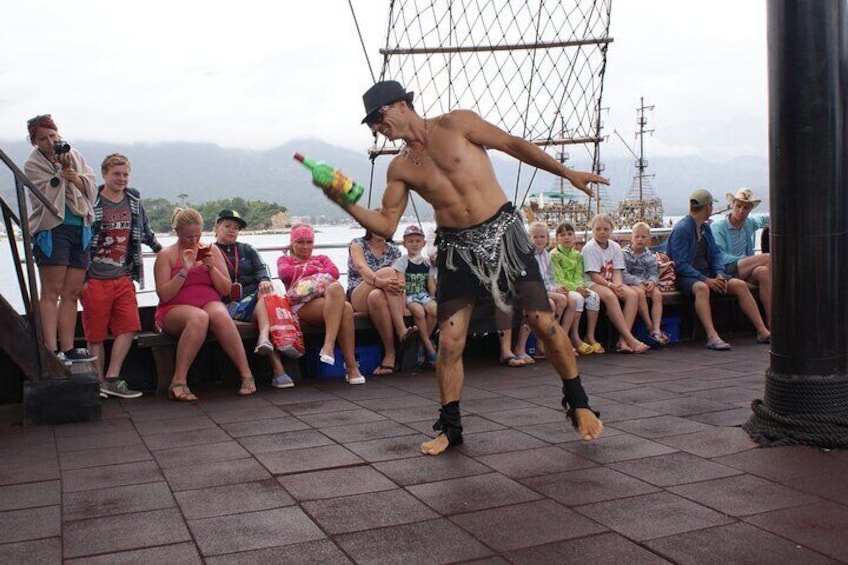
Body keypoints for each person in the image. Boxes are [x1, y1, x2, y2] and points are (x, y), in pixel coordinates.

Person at [319, 79, 605, 455]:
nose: (376, 126)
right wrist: (343, 200)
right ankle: (450, 428)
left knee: (543, 321)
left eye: (378, 115)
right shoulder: (400, 168)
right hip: (456, 249)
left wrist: (566, 173)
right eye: (372, 122)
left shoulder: (457, 123)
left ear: (402, 104)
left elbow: (512, 144)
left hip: (504, 235)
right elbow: (387, 224)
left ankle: (579, 403)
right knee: (450, 341)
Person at [153, 208, 257, 400]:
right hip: (174, 309)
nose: (193, 241)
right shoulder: (166, 255)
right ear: (177, 232)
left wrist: (211, 268)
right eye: (188, 236)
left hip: (208, 301)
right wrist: (185, 269)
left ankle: (246, 373)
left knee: (219, 314)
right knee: (198, 318)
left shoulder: (211, 250)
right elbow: (165, 295)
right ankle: (179, 380)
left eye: (197, 235)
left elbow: (225, 289)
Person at [81, 153, 161, 399]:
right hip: (94, 278)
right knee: (95, 334)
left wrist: (162, 250)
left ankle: (112, 378)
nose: (122, 178)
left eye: (125, 174)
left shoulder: (134, 200)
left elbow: (144, 232)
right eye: (117, 174)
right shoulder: (91, 200)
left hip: (123, 276)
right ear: (104, 174)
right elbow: (81, 238)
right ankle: (98, 382)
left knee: (128, 327)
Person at [24, 114, 98, 366]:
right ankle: (50, 349)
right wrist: (59, 170)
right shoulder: (32, 164)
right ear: (34, 142)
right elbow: (42, 193)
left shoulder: (74, 155)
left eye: (52, 136)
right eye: (42, 138)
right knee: (51, 291)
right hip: (52, 227)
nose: (49, 142)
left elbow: (90, 184)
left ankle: (68, 348)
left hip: (80, 226)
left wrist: (72, 174)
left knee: (72, 292)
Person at [667, 189, 771, 350]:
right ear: (708, 207)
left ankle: (762, 330)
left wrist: (720, 274)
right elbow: (680, 265)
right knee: (702, 288)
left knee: (739, 285)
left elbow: (716, 255)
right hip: (687, 277)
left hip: (709, 274)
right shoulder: (682, 230)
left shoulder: (705, 228)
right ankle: (712, 336)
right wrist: (706, 280)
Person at [213, 209, 294, 389]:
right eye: (227, 226)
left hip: (252, 303)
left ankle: (265, 341)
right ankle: (278, 369)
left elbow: (262, 269)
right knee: (268, 305)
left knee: (265, 295)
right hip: (227, 305)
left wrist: (264, 280)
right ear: (217, 227)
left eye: (236, 228)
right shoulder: (211, 251)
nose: (232, 230)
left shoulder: (246, 249)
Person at [278, 224, 366, 384]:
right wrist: (317, 272)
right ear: (293, 244)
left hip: (327, 301)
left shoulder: (322, 258)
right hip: (301, 305)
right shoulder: (285, 259)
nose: (305, 246)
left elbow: (334, 273)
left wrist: (304, 271)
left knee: (341, 298)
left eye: (309, 242)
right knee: (344, 307)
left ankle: (330, 346)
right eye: (300, 242)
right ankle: (351, 367)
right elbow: (285, 273)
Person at [347, 221, 417, 376]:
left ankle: (389, 356)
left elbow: (399, 281)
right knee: (388, 272)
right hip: (358, 293)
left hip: (379, 296)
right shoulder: (357, 244)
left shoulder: (394, 251)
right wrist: (381, 282)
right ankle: (401, 331)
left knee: (376, 297)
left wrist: (400, 299)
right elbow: (362, 268)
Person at [581, 214, 650, 354]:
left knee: (632, 295)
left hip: (611, 281)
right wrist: (611, 287)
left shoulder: (615, 247)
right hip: (593, 282)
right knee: (610, 297)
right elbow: (593, 275)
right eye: (598, 229)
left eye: (606, 229)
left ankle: (622, 340)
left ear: (611, 230)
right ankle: (630, 339)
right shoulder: (590, 248)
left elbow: (617, 270)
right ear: (592, 229)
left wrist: (617, 285)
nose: (602, 232)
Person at [712, 188, 771, 324]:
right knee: (767, 258)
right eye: (738, 206)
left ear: (750, 210)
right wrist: (747, 260)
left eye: (746, 208)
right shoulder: (719, 227)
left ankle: (771, 323)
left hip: (745, 268)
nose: (741, 210)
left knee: (763, 272)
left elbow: (764, 219)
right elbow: (720, 256)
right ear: (732, 205)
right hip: (727, 268)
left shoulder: (749, 223)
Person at [550, 221, 602, 355]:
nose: (566, 237)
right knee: (578, 298)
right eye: (562, 235)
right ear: (557, 239)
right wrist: (575, 288)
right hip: (561, 288)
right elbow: (558, 278)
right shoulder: (554, 255)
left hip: (576, 287)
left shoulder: (578, 255)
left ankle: (589, 335)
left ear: (574, 237)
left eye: (569, 234)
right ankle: (572, 337)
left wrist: (579, 286)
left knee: (594, 297)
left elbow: (579, 275)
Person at [393, 224, 439, 367]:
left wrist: (434, 297)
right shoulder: (402, 262)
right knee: (418, 311)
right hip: (410, 296)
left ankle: (422, 342)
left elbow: (431, 283)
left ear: (424, 243)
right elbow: (401, 285)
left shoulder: (426, 262)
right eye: (411, 241)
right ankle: (429, 347)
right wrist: (402, 306)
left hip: (423, 294)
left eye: (418, 241)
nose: (414, 244)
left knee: (434, 310)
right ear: (404, 244)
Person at [622, 222, 668, 346]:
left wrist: (653, 282)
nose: (640, 239)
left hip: (646, 281)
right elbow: (624, 274)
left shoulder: (650, 256)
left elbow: (654, 272)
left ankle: (657, 327)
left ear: (649, 239)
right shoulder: (624, 254)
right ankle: (649, 325)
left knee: (657, 295)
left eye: (643, 237)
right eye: (637, 236)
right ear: (631, 238)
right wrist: (638, 282)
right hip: (631, 282)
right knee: (640, 293)